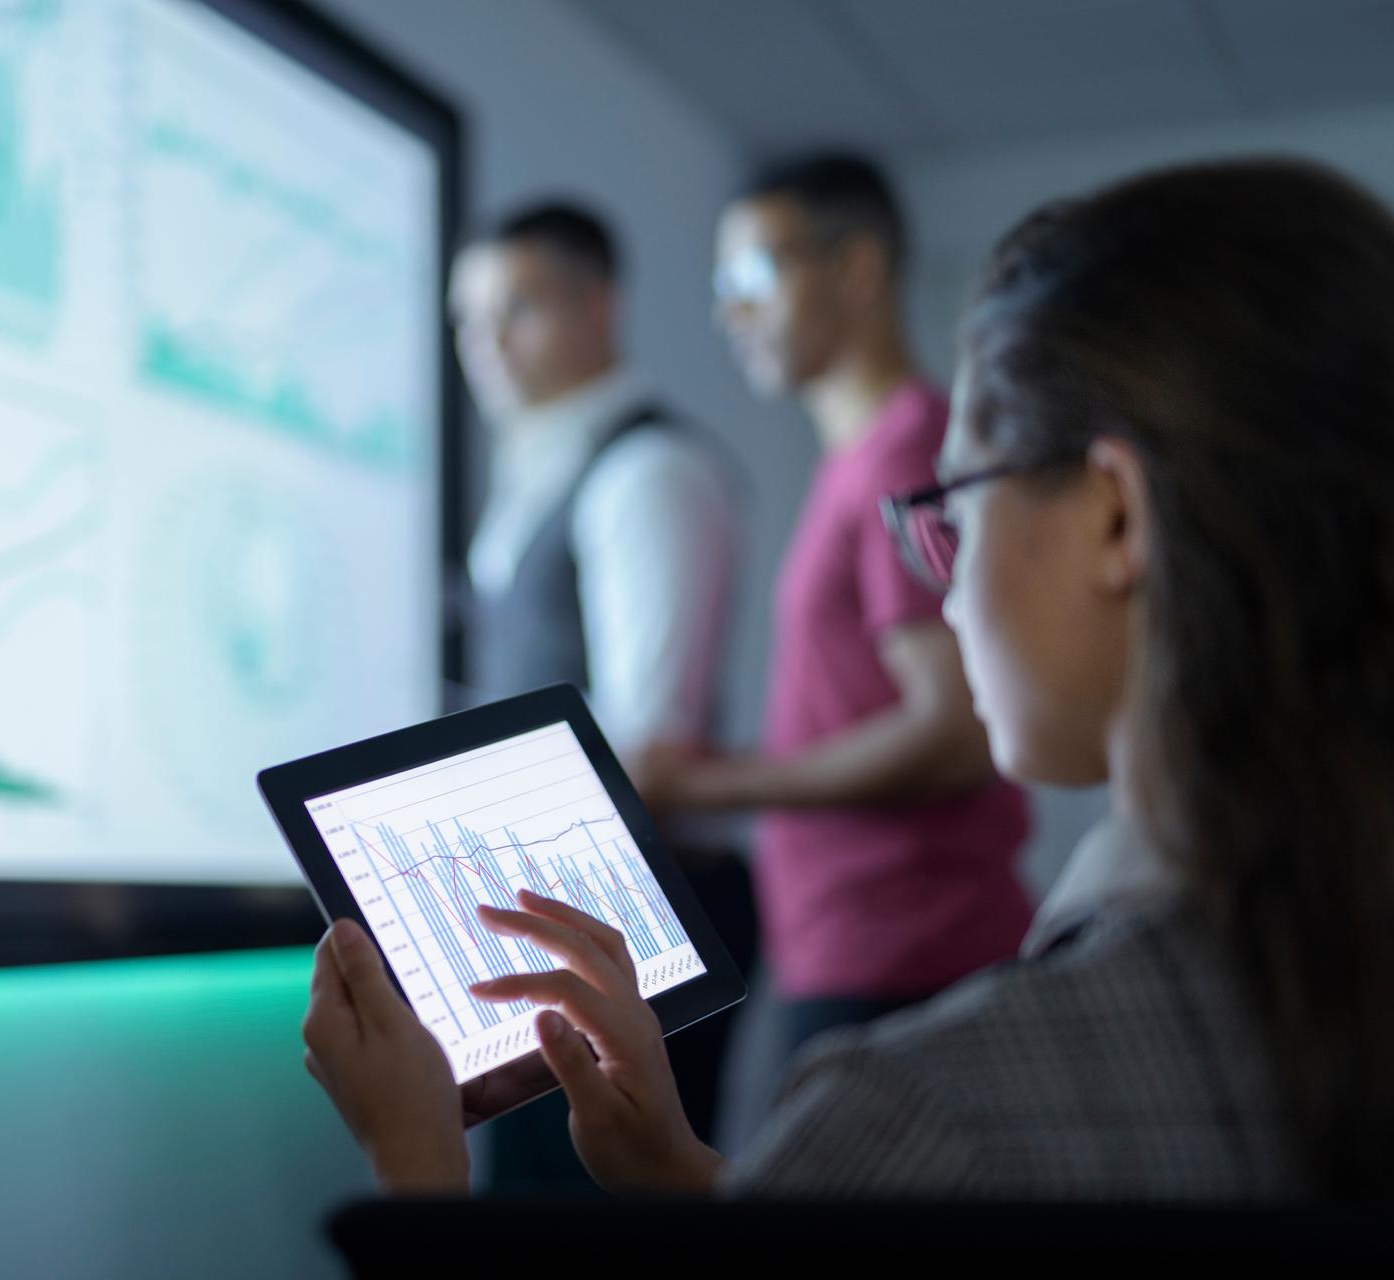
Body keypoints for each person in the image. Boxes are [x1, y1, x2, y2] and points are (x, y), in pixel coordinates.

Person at [301, 158, 1394, 1200]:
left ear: (1114, 517)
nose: (948, 589)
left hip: (891, 933)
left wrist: (417, 1162)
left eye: (955, 510)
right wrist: (678, 1169)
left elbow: (943, 732)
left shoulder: (924, 1108)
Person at [633, 154, 1030, 1073]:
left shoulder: (905, 456)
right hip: (856, 944)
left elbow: (955, 732)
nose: (731, 314)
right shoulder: (864, 458)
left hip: (906, 950)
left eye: (754, 277)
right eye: (722, 288)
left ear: (856, 268)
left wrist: (702, 786)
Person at [447, 201, 751, 1189]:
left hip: (635, 921)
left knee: (595, 1213)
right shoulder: (543, 469)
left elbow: (649, 742)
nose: (487, 343)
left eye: (519, 308)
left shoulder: (650, 470)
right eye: (468, 319)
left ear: (599, 306)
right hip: (566, 917)